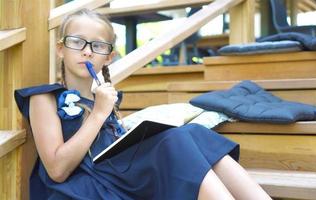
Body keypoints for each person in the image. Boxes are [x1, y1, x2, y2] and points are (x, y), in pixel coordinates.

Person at [14, 9, 271, 200]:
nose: (87, 51)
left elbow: (115, 148)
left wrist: (114, 117)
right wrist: (98, 114)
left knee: (193, 133)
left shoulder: (108, 99)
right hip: (84, 186)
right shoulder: (44, 98)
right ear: (61, 49)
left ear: (109, 56)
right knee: (173, 141)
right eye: (77, 42)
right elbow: (57, 170)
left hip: (120, 176)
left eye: (98, 45)